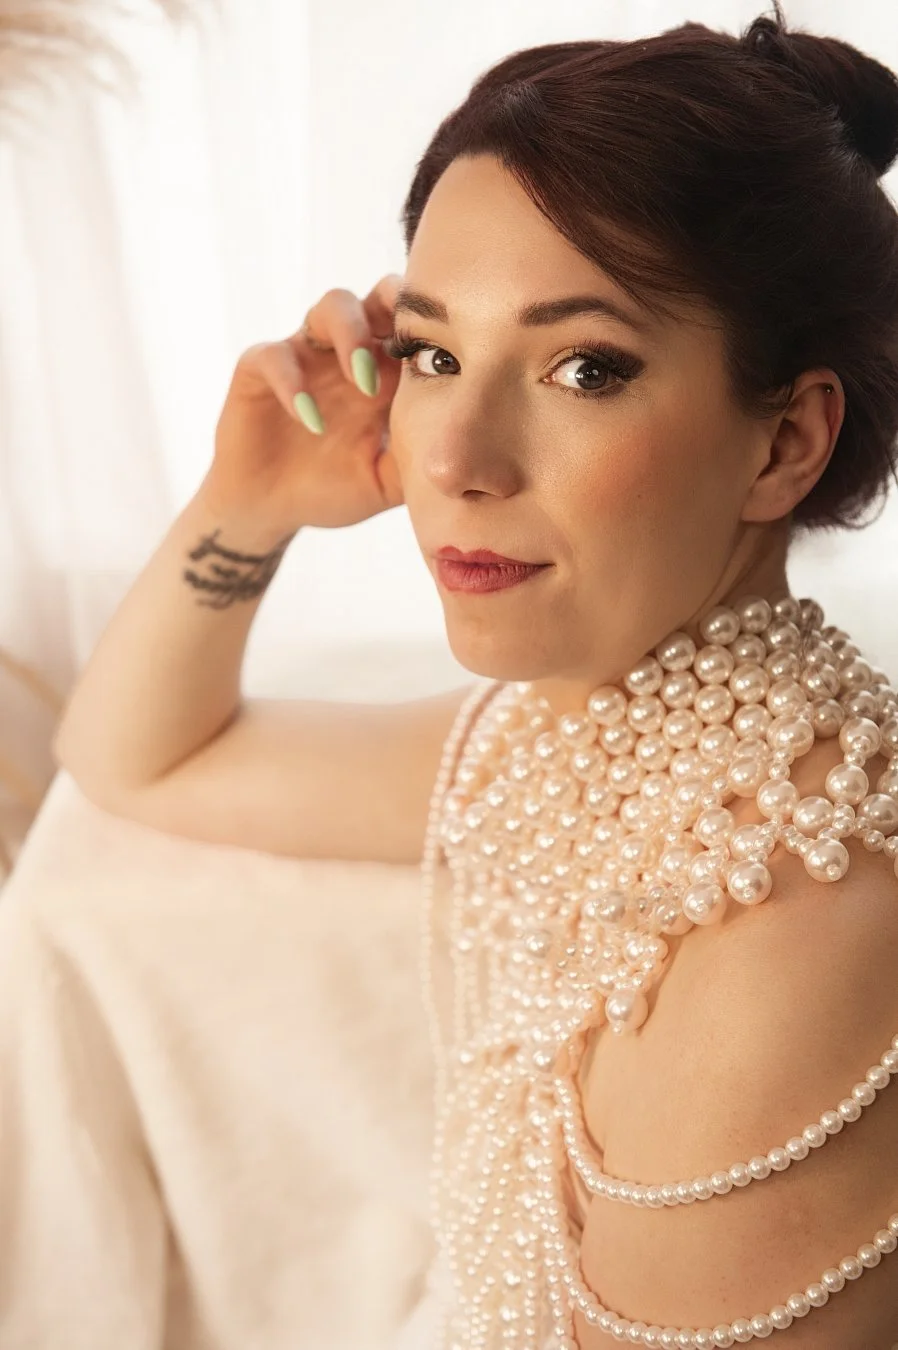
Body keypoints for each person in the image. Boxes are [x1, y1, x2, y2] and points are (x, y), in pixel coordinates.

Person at [27, 1, 898, 1345]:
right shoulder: (582, 747)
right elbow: (136, 756)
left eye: (582, 366)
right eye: (432, 353)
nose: (453, 458)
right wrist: (247, 493)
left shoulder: (787, 916)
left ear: (784, 442)